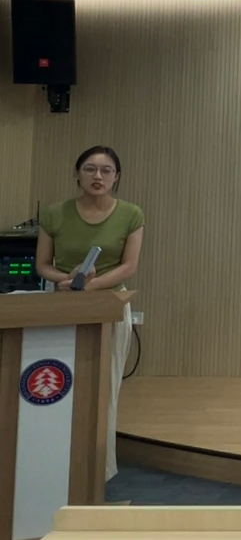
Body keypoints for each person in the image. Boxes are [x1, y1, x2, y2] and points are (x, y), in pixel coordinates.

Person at [35, 145, 145, 482]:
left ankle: (99, 469)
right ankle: (53, 464)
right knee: (59, 383)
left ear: (116, 177)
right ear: (77, 174)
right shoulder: (54, 214)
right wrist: (67, 281)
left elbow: (128, 266)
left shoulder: (131, 214)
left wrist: (91, 286)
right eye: (90, 169)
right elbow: (43, 265)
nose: (98, 176)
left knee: (104, 387)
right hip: (62, 304)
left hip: (108, 306)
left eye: (106, 170)